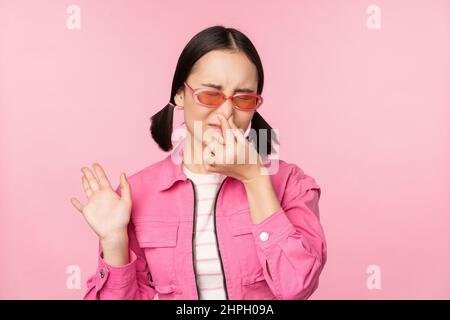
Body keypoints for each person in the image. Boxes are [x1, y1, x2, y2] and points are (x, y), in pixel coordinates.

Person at [70, 25, 327, 300]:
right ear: (180, 94)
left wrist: (254, 178)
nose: (226, 111)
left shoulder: (290, 183)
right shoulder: (136, 195)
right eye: (210, 95)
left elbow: (297, 286)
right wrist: (114, 241)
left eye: (243, 98)